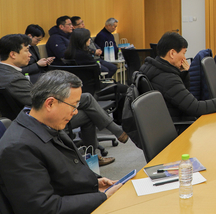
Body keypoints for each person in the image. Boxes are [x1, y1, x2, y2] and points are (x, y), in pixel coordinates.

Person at [0, 70, 122, 213]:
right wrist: (102, 197)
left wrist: (94, 184)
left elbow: (63, 175)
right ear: (50, 104)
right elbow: (43, 208)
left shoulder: (47, 124)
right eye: (74, 105)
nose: (76, 111)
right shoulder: (18, 148)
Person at [0, 34, 127, 166]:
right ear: (13, 54)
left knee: (87, 102)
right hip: (37, 122)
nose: (30, 54)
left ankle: (93, 157)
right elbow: (38, 102)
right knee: (89, 108)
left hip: (21, 120)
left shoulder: (5, 72)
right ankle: (96, 154)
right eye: (26, 50)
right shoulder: (13, 78)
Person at [140, 32, 216, 122]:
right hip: (178, 127)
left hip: (167, 122)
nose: (184, 58)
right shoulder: (168, 79)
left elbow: (183, 97)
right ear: (172, 53)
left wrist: (183, 73)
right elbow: (196, 107)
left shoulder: (151, 68)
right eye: (183, 53)